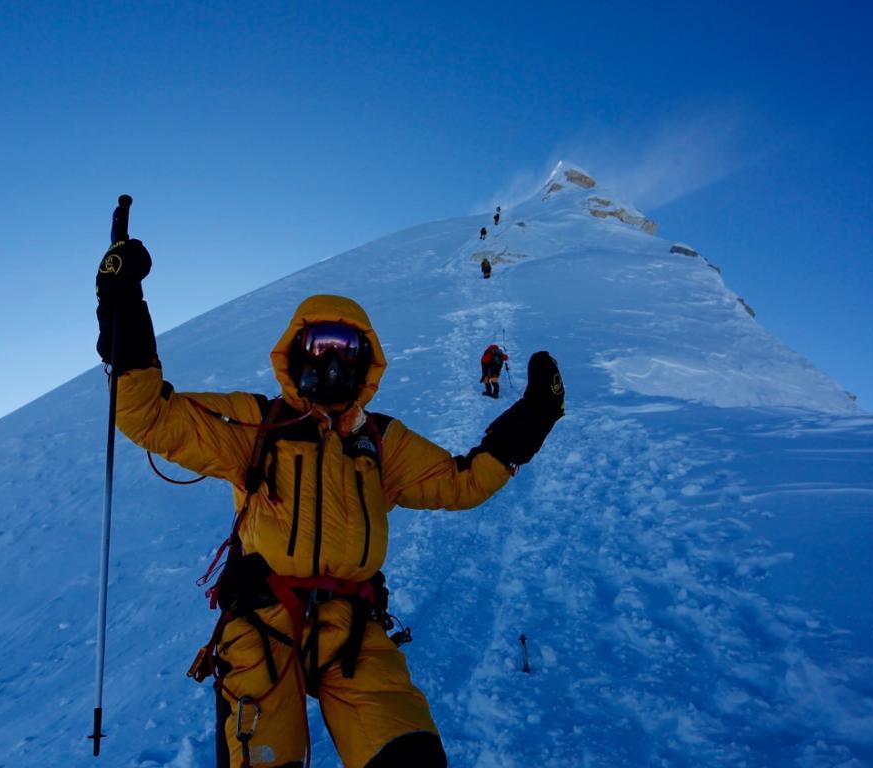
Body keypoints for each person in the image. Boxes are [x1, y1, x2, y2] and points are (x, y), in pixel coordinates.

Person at [96, 238, 565, 768]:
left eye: (349, 349)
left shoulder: (380, 442)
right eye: (321, 346)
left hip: (352, 627)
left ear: (367, 363)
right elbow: (151, 417)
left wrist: (533, 419)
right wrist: (122, 308)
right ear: (296, 353)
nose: (334, 361)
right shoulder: (258, 424)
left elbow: (460, 481)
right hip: (263, 620)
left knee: (409, 757)